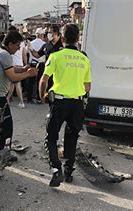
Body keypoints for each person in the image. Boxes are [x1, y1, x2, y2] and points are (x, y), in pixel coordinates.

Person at [39, 24, 91, 187]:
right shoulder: (84, 59)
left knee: (52, 137)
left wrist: (43, 96)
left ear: (62, 39)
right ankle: (69, 172)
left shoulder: (56, 56)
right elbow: (87, 86)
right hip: (77, 103)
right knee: (72, 138)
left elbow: (44, 80)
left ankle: (56, 170)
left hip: (60, 103)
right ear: (77, 40)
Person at [0, 30, 38, 153]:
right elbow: (12, 78)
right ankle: (4, 152)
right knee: (7, 126)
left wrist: (22, 68)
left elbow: (9, 69)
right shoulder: (4, 55)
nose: (18, 49)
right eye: (17, 45)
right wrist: (28, 74)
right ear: (10, 43)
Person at [7, 27, 28, 108]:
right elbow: (24, 55)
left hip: (13, 64)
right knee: (13, 83)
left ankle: (21, 102)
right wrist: (25, 64)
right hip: (20, 64)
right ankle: (8, 99)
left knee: (16, 84)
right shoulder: (22, 43)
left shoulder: (11, 42)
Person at [26, 28, 47, 103]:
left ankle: (29, 98)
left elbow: (26, 53)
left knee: (31, 82)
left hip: (32, 64)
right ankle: (39, 98)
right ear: (42, 35)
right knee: (40, 81)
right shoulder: (45, 44)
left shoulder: (31, 43)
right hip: (41, 64)